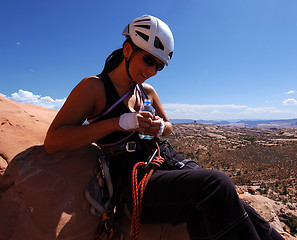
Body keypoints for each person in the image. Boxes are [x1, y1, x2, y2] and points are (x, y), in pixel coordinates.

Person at [44, 15, 284, 240]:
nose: (151, 72)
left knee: (232, 199)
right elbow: (54, 140)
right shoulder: (94, 88)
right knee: (216, 185)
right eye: (148, 60)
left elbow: (169, 127)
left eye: (158, 66)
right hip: (132, 176)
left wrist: (158, 128)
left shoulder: (146, 91)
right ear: (128, 50)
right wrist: (117, 123)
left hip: (164, 159)